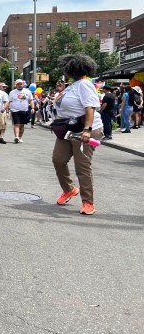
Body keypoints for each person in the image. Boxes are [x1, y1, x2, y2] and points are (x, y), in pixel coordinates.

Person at [50, 54, 103, 215]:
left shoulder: (84, 84)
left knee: (82, 167)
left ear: (71, 69)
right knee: (58, 160)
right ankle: (69, 189)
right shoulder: (72, 86)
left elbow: (90, 108)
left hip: (85, 129)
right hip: (68, 130)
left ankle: (88, 202)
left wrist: (87, 130)